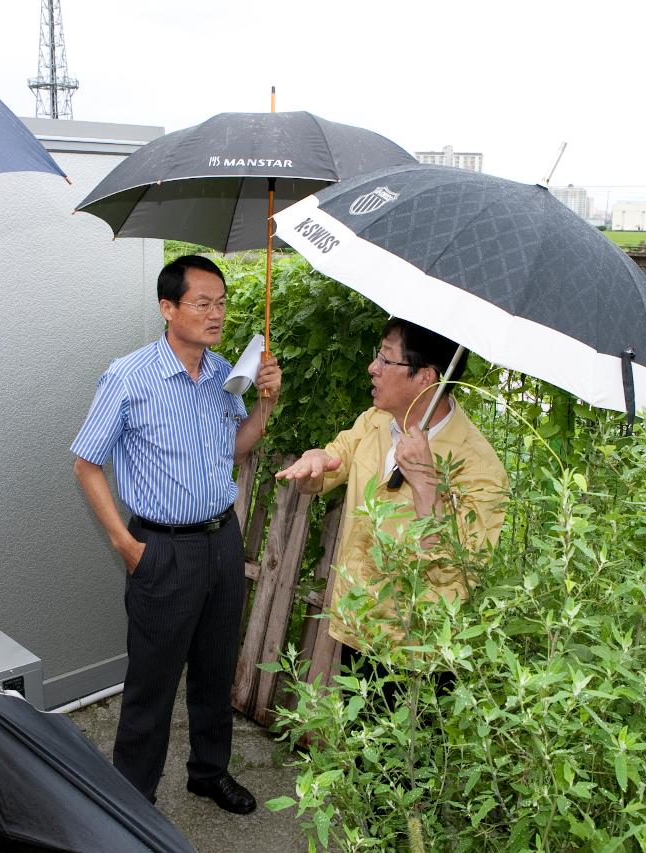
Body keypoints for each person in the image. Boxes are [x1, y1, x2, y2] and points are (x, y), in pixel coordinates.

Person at [71, 255, 281, 814]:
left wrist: (265, 404)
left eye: (222, 303)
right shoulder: (129, 375)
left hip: (221, 541)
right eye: (202, 303)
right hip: (161, 547)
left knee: (216, 669)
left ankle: (209, 774)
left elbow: (237, 448)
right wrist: (126, 544)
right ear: (169, 308)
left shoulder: (221, 376)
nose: (216, 315)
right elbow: (87, 462)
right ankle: (131, 802)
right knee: (152, 685)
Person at [276, 318, 508, 669]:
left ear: (426, 376)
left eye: (386, 359)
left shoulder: (479, 466)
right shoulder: (375, 421)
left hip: (418, 650)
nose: (373, 368)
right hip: (359, 626)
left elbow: (460, 567)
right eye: (377, 355)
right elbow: (329, 466)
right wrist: (315, 462)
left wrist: (426, 479)